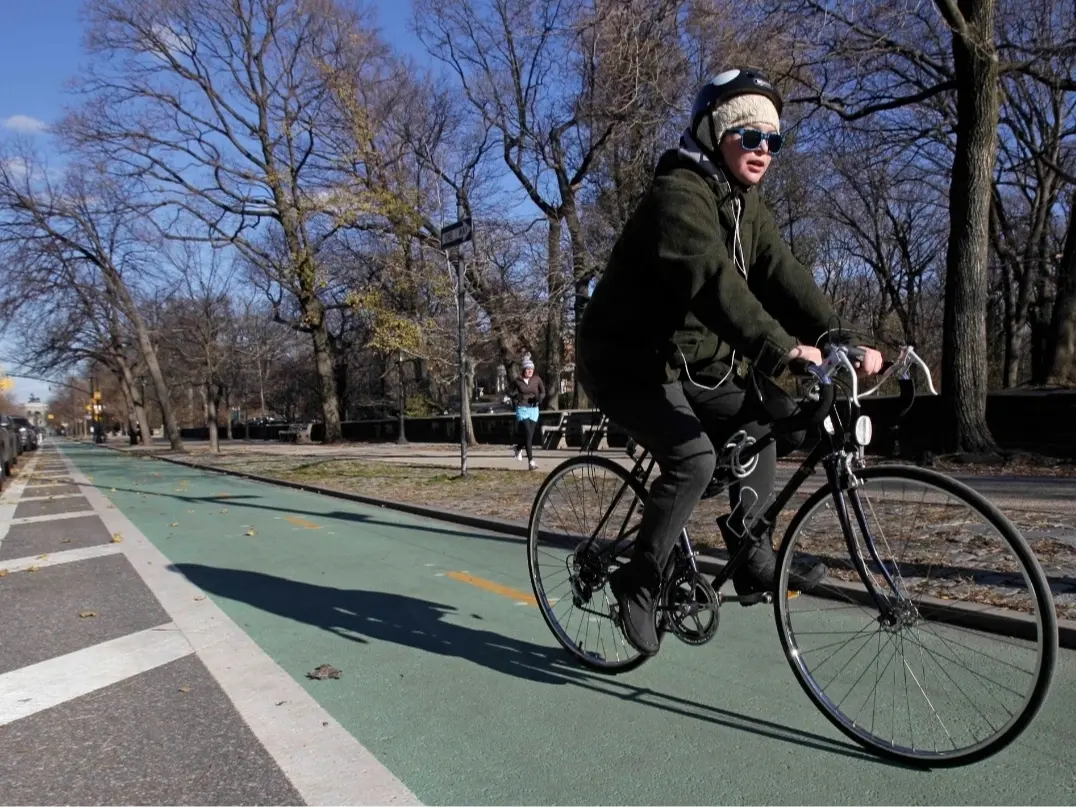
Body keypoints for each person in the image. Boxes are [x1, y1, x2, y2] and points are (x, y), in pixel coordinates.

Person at [575, 68, 883, 656]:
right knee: (692, 460)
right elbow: (715, 284)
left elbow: (782, 273)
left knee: (767, 418)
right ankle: (637, 584)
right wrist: (785, 348)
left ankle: (750, 548)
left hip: (688, 364)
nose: (764, 151)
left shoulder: (746, 206)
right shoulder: (679, 196)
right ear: (716, 132)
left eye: (774, 141)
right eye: (750, 136)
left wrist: (839, 335)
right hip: (624, 361)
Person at [508, 353, 545, 471]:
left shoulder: (537, 379)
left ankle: (518, 448)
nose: (530, 371)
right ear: (524, 369)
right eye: (528, 369)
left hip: (534, 409)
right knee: (528, 433)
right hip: (522, 409)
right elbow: (508, 391)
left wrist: (539, 399)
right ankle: (531, 462)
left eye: (531, 369)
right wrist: (516, 396)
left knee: (529, 436)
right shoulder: (517, 381)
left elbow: (543, 392)